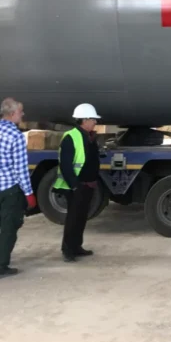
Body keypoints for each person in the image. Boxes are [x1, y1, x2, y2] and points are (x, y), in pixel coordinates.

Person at [0, 98, 36, 278]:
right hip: (9, 190)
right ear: (12, 114)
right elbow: (20, 169)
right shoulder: (15, 136)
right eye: (20, 112)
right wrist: (29, 193)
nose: (22, 115)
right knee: (8, 229)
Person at [54, 103, 102, 262]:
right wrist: (75, 185)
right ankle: (67, 249)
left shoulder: (89, 136)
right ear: (85, 120)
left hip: (88, 184)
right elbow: (65, 164)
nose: (95, 122)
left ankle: (77, 246)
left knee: (81, 217)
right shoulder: (71, 136)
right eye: (93, 119)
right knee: (73, 218)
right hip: (76, 185)